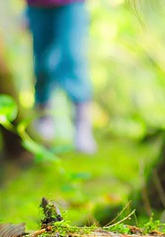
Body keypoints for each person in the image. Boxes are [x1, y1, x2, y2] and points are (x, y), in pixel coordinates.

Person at [26, 0, 97, 154]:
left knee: (73, 58)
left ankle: (82, 127)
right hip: (37, 6)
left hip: (71, 4)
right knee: (42, 65)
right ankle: (44, 122)